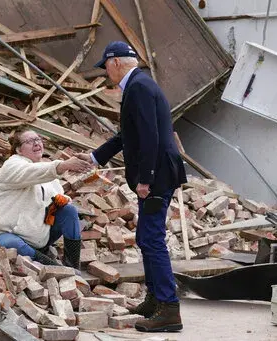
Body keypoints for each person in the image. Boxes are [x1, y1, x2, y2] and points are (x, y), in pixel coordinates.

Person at [77, 41, 187, 332]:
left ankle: (169, 309)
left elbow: (150, 137)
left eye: (106, 67)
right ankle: (155, 299)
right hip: (161, 171)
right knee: (145, 237)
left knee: (151, 239)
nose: (106, 74)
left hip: (157, 175)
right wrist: (93, 157)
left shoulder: (137, 87)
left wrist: (146, 178)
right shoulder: (140, 84)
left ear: (115, 63)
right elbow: (128, 135)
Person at [0, 128, 91, 269]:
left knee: (69, 211)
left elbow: (55, 197)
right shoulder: (11, 166)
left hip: (39, 239)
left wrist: (62, 201)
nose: (36, 143)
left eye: (38, 139)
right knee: (14, 245)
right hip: (8, 235)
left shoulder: (47, 173)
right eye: (29, 141)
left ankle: (72, 266)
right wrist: (63, 165)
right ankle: (55, 268)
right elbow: (30, 173)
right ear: (18, 150)